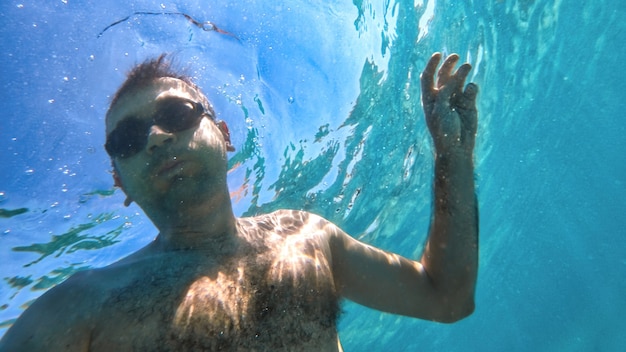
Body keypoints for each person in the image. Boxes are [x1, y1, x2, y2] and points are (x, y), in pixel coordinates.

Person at [0, 52, 478, 351]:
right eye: (127, 139)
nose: (155, 137)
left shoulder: (308, 237)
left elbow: (446, 297)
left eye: (175, 113)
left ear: (223, 134)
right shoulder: (80, 306)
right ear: (119, 183)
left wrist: (452, 156)